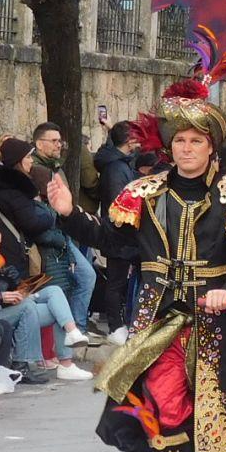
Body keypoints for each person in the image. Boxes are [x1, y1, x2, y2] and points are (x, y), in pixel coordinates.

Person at [47, 64, 226, 452]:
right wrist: (69, 215)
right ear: (168, 146)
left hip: (222, 321)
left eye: (196, 141)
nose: (187, 149)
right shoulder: (143, 194)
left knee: (224, 424)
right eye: (179, 141)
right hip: (161, 324)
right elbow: (113, 242)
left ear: (212, 145)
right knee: (162, 420)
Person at [0, 138, 91, 380]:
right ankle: (47, 360)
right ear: (17, 162)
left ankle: (70, 343)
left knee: (57, 294)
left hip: (12, 259)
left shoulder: (2, 188)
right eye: (28, 157)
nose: (31, 162)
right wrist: (52, 213)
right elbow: (33, 221)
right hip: (12, 261)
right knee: (40, 304)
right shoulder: (10, 191)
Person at [89, 121, 142, 342]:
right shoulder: (116, 168)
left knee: (118, 281)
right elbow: (118, 201)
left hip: (123, 233)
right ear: (129, 141)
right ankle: (115, 326)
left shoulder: (119, 164)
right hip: (119, 233)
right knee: (116, 282)